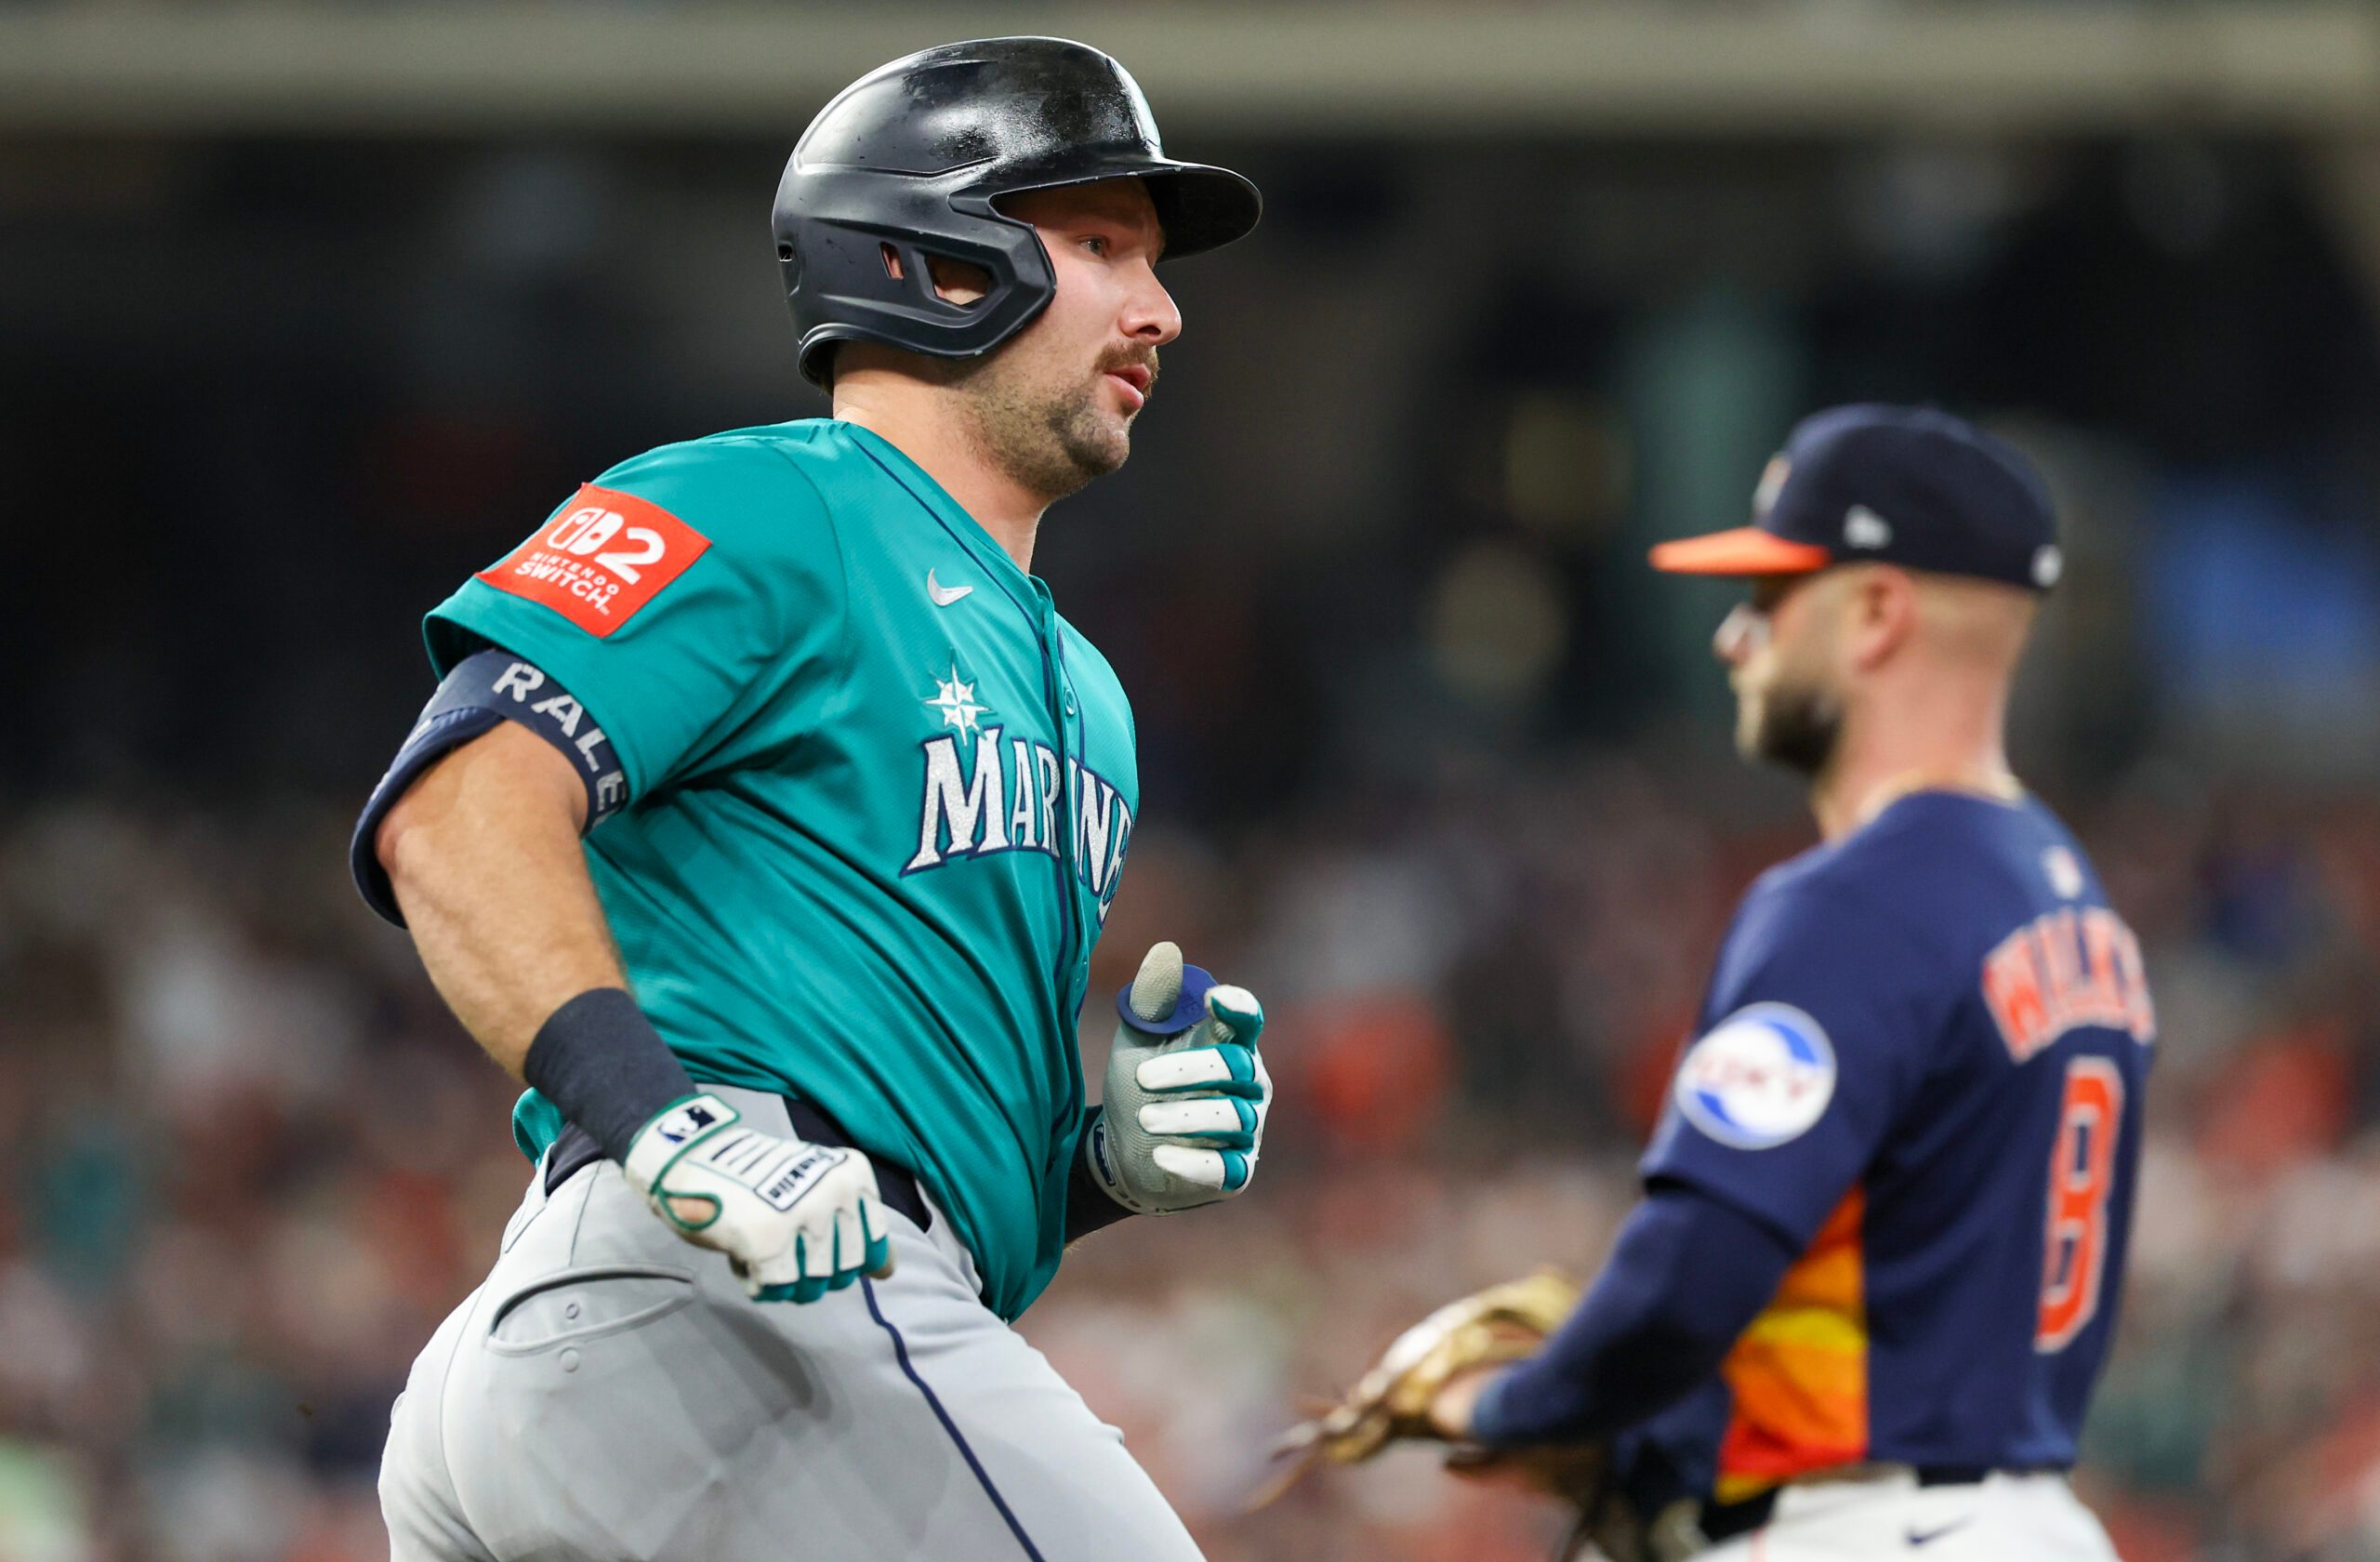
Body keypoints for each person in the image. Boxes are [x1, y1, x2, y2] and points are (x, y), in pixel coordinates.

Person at [359, 37, 1272, 1561]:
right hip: (695, 1315)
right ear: (939, 261)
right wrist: (666, 1127)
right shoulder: (764, 503)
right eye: (1105, 245)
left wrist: (1095, 1167)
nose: (1160, 306)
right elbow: (453, 811)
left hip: (709, 1344)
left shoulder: (1089, 693)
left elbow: (930, 1162)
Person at [1431, 405, 2149, 1559]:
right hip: (2031, 1522)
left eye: (1770, 598)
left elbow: (1691, 1273)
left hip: (1863, 1527)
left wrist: (1510, 1407)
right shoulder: (2072, 900)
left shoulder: (1857, 900)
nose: (1733, 638)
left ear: (1874, 612)